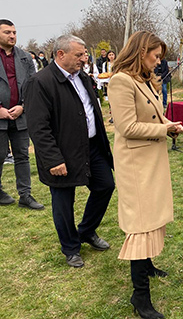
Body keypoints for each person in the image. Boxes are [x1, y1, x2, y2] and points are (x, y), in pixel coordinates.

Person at [109, 31, 183, 319]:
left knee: (153, 214)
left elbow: (154, 114)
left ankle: (148, 264)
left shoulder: (145, 80)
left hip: (152, 157)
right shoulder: (121, 81)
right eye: (155, 55)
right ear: (142, 52)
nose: (158, 61)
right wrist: (163, 129)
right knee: (141, 223)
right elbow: (127, 127)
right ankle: (140, 297)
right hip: (136, 162)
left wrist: (170, 123)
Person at [24, 35, 115, 267]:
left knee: (105, 185)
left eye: (84, 54)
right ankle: (70, 247)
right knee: (64, 201)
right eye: (79, 55)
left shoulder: (82, 76)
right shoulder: (40, 82)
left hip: (92, 147)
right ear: (60, 55)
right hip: (62, 152)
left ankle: (86, 231)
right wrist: (53, 158)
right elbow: (38, 127)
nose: (84, 59)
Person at [0, 19, 44, 210]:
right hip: (0, 116)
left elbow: (33, 86)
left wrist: (23, 106)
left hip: (20, 116)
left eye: (14, 32)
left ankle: (25, 195)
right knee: (0, 155)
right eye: (7, 32)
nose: (12, 36)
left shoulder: (25, 58)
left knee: (22, 156)